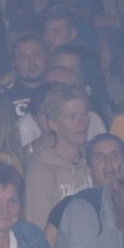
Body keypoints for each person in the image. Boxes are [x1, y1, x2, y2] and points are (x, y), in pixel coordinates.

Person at [24, 83, 93, 228]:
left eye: (85, 114)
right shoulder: (41, 172)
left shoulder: (92, 162)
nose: (82, 123)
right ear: (53, 124)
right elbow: (37, 230)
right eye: (72, 117)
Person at [44, 133, 124, 247]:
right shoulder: (69, 205)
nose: (108, 161)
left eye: (115, 155)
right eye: (100, 157)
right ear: (89, 168)